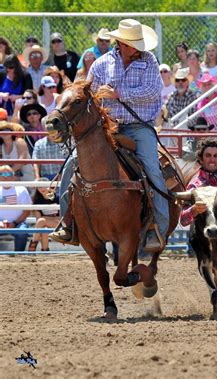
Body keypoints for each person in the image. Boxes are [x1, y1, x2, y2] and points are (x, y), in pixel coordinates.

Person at [51, 19, 169, 252]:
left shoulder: (149, 61)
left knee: (152, 168)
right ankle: (67, 220)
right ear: (122, 42)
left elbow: (153, 91)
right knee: (72, 164)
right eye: (133, 43)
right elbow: (87, 91)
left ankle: (158, 226)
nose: (137, 47)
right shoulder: (101, 64)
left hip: (139, 126)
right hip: (106, 127)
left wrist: (118, 93)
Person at [0, 165, 31, 251]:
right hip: (1, 224)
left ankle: (19, 256)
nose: (5, 176)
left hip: (18, 223)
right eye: (2, 174)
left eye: (8, 174)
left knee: (22, 232)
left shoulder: (21, 189)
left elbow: (27, 211)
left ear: (13, 176)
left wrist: (14, 222)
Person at [28, 178, 60, 251]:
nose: (42, 188)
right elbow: (38, 219)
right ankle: (45, 251)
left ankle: (31, 248)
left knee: (42, 222)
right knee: (44, 228)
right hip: (45, 222)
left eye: (44, 186)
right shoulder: (37, 200)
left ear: (50, 186)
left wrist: (45, 218)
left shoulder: (57, 197)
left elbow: (62, 216)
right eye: (39, 187)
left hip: (59, 223)